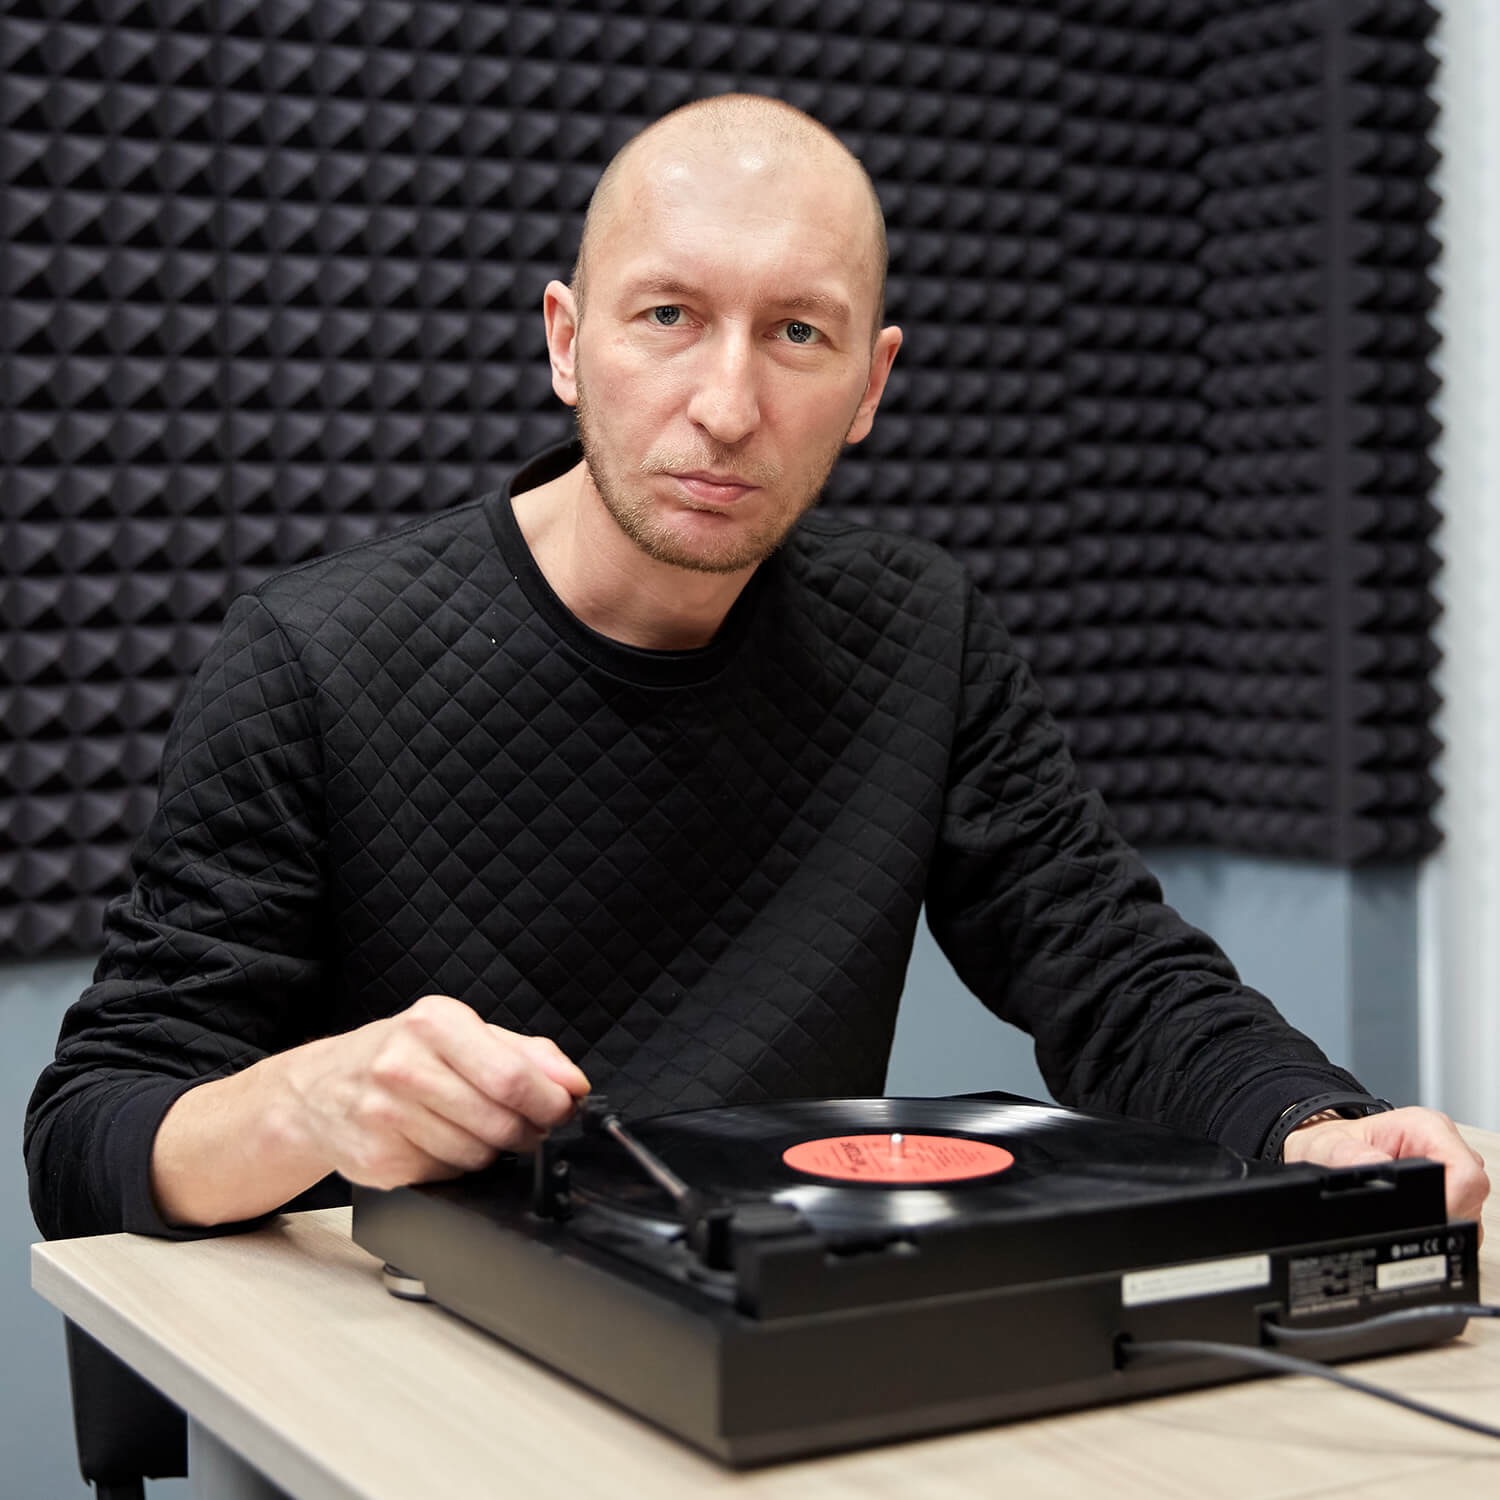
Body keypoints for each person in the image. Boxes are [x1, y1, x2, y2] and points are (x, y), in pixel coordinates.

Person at [26, 94, 1487, 1241]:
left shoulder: (920, 633)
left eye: (796, 333)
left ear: (870, 386)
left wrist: (1312, 1127)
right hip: (419, 1378)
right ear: (567, 341)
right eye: (669, 316)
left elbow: (1108, 966)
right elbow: (87, 1136)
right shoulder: (311, 656)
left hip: (763, 1332)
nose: (726, 405)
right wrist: (309, 1103)